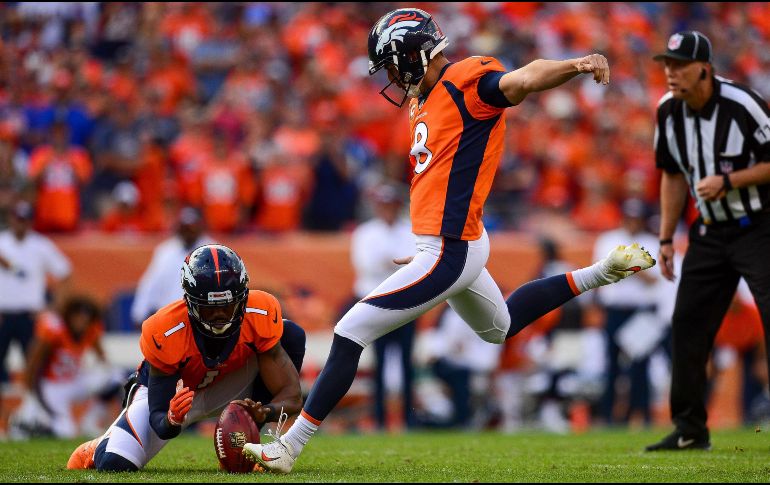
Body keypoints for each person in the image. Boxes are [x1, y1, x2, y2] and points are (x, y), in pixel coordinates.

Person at [245, 8, 655, 473]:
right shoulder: (425, 100)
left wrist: (575, 65)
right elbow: (438, 178)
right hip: (447, 244)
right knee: (499, 327)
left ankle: (289, 446)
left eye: (393, 66)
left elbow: (522, 79)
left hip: (450, 248)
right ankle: (602, 272)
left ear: (415, 56)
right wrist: (424, 247)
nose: (392, 78)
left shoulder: (466, 82)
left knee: (350, 330)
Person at [66, 244, 306, 472]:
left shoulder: (260, 312)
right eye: (209, 308)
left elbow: (292, 396)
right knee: (116, 463)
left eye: (227, 306)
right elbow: (159, 418)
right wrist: (171, 419)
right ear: (190, 302)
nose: (220, 315)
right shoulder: (166, 329)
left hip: (228, 386)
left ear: (242, 299)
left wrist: (264, 411)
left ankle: (241, 448)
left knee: (290, 334)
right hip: (176, 397)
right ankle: (96, 448)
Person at [646, 31, 770, 451]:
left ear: (705, 69)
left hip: (759, 225)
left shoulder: (743, 104)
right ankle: (690, 429)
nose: (671, 72)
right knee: (688, 325)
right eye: (667, 64)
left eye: (680, 65)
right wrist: (666, 238)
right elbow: (672, 174)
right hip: (710, 231)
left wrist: (730, 181)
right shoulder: (667, 110)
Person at [350, 184, 417, 430]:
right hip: (376, 304)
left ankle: (409, 419)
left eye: (391, 205)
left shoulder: (410, 230)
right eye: (384, 205)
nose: (388, 209)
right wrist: (395, 262)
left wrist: (387, 262)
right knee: (378, 362)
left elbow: (417, 263)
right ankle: (379, 418)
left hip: (406, 303)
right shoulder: (365, 232)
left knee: (407, 361)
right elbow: (365, 264)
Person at [9, 295, 124, 439]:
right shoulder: (54, 329)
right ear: (69, 315)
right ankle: (23, 422)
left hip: (74, 380)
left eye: (85, 319)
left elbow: (102, 357)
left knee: (114, 376)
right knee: (65, 431)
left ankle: (90, 422)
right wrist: (30, 393)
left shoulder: (91, 330)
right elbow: (33, 361)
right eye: (78, 317)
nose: (81, 322)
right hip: (52, 386)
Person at [593, 199, 663, 427]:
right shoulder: (608, 240)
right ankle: (609, 416)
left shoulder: (651, 242)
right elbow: (604, 271)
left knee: (640, 365)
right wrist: (637, 266)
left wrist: (627, 265)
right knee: (612, 364)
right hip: (615, 309)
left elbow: (653, 280)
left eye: (637, 218)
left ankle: (642, 415)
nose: (633, 223)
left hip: (641, 311)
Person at [0, 200, 72, 415]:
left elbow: (65, 273)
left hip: (30, 316)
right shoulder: (2, 242)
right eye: (17, 219)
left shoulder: (40, 245)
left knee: (36, 367)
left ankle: (35, 414)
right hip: (3, 315)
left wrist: (53, 307)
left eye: (24, 220)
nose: (20, 224)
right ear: (10, 219)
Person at [130, 206, 214, 326]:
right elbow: (150, 283)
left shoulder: (212, 251)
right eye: (185, 228)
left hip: (200, 319)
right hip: (168, 316)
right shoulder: (165, 251)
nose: (188, 232)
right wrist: (139, 312)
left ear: (200, 227)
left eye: (192, 228)